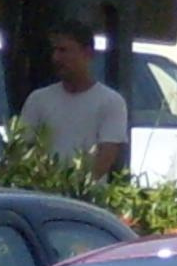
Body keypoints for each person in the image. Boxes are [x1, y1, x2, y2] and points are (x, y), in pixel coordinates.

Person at [18, 20, 128, 179]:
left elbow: (106, 157)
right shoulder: (38, 100)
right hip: (44, 195)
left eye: (64, 50)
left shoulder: (111, 102)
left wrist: (76, 189)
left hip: (85, 199)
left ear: (88, 53)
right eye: (54, 50)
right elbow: (24, 149)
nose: (56, 58)